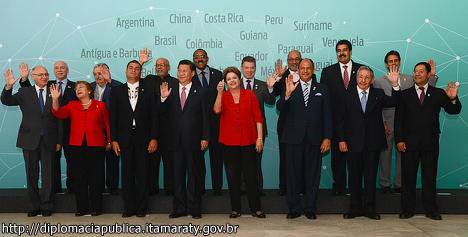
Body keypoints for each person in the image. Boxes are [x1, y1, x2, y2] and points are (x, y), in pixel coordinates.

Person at [395, 62, 461, 220]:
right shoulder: (404, 94)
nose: (416, 74)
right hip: (409, 143)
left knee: (429, 178)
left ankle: (431, 210)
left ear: (429, 74)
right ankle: (407, 210)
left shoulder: (438, 93)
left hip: (430, 143)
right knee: (408, 178)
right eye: (415, 71)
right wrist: (399, 140)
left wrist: (453, 99)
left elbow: (454, 110)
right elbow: (399, 120)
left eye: (421, 71)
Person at [337, 66, 400, 220]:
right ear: (356, 79)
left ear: (372, 80)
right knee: (354, 177)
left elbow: (394, 101)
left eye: (367, 77)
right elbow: (340, 120)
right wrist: (341, 140)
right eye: (360, 77)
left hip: (372, 143)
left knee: (371, 178)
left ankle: (370, 209)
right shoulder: (347, 94)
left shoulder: (378, 93)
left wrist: (395, 85)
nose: (363, 80)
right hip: (353, 143)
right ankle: (355, 209)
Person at [374, 51, 438, 194]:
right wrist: (381, 122)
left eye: (396, 60)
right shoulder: (378, 82)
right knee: (385, 155)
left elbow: (426, 89)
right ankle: (385, 183)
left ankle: (399, 183)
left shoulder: (410, 79)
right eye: (390, 61)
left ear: (400, 62)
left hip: (407, 125)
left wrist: (431, 76)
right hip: (387, 124)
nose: (393, 63)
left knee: (403, 154)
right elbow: (375, 105)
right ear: (386, 64)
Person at [1, 66, 62, 217]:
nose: (44, 77)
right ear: (33, 76)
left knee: (48, 175)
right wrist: (8, 86)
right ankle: (33, 206)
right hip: (29, 139)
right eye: (40, 75)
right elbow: (7, 101)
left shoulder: (54, 91)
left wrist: (59, 140)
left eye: (46, 74)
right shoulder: (24, 92)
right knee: (31, 174)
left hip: (49, 139)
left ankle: (47, 206)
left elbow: (59, 117)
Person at [276, 58, 332, 219]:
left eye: (308, 68)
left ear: (314, 70)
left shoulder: (323, 88)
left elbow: (328, 115)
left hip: (315, 139)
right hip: (293, 138)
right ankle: (293, 208)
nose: (305, 71)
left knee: (312, 175)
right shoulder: (290, 85)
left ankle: (310, 209)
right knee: (292, 175)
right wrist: (287, 94)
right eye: (302, 68)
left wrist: (327, 137)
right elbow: (280, 107)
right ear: (298, 71)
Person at [51, 81, 111, 216]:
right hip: (76, 146)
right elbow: (58, 113)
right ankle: (81, 208)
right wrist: (55, 99)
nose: (78, 89)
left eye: (81, 87)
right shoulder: (72, 105)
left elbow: (108, 124)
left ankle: (96, 208)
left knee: (96, 177)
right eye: (76, 88)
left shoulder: (100, 105)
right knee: (79, 178)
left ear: (89, 91)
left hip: (96, 145)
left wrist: (109, 141)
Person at [160, 60, 210, 219]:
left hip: (194, 140)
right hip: (175, 141)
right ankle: (179, 208)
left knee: (194, 176)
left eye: (185, 70)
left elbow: (205, 117)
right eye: (179, 70)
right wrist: (163, 99)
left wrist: (205, 137)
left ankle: (195, 209)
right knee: (177, 177)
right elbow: (160, 113)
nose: (181, 73)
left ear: (192, 73)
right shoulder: (171, 90)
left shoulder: (200, 92)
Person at [214, 66, 266, 219]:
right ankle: (235, 209)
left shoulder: (249, 94)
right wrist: (219, 92)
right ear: (226, 82)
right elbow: (217, 110)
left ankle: (256, 209)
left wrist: (259, 138)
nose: (232, 81)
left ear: (239, 78)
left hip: (249, 142)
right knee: (233, 177)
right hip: (229, 143)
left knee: (251, 177)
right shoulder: (223, 96)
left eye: (234, 78)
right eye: (229, 79)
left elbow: (258, 118)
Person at [109, 60, 159, 218]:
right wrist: (114, 139)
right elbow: (113, 118)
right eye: (131, 68)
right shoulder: (116, 91)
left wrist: (153, 138)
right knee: (127, 173)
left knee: (143, 174)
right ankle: (129, 208)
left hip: (144, 137)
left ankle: (141, 208)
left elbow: (154, 117)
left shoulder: (149, 90)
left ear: (140, 72)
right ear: (126, 71)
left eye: (137, 68)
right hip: (124, 138)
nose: (134, 70)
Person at [19, 61, 77, 194]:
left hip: (70, 130)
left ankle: (72, 190)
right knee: (52, 165)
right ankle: (55, 190)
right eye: (56, 68)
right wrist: (24, 79)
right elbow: (31, 93)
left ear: (68, 70)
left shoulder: (75, 86)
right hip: (49, 131)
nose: (59, 70)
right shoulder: (47, 84)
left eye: (62, 68)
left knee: (72, 161)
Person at [320, 40, 364, 196]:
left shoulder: (361, 70)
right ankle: (338, 186)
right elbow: (323, 99)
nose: (342, 53)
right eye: (339, 50)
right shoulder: (327, 72)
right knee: (337, 157)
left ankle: (355, 187)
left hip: (357, 122)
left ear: (351, 52)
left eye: (345, 50)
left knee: (355, 157)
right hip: (335, 121)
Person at [274, 50, 316, 196]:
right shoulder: (282, 75)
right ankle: (285, 186)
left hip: (306, 127)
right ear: (288, 60)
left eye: (297, 59)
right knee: (286, 158)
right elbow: (275, 97)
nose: (294, 61)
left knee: (304, 159)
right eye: (291, 59)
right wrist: (279, 77)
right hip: (287, 125)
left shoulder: (311, 76)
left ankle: (303, 188)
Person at [139, 48, 178, 196]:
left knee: (170, 162)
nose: (159, 67)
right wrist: (141, 63)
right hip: (151, 129)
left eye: (163, 65)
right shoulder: (148, 80)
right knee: (151, 162)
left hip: (170, 129)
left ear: (169, 67)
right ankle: (152, 189)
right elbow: (134, 79)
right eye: (157, 65)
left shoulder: (175, 82)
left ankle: (170, 189)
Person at [239, 56, 276, 195]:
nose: (249, 70)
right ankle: (243, 188)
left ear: (255, 68)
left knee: (256, 160)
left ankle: (257, 188)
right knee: (241, 161)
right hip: (240, 129)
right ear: (242, 68)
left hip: (258, 130)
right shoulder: (235, 84)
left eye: (252, 68)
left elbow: (271, 102)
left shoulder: (262, 85)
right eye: (246, 67)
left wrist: (271, 88)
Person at [191, 49, 224, 195]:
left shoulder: (217, 74)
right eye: (197, 57)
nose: (200, 59)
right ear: (193, 60)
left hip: (217, 124)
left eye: (202, 57)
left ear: (207, 58)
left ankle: (217, 190)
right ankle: (200, 189)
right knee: (198, 160)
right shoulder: (190, 76)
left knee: (217, 159)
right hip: (197, 126)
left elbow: (223, 97)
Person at [91, 63, 122, 195]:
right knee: (95, 162)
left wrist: (110, 80)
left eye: (100, 73)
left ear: (107, 72)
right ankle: (97, 188)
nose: (98, 76)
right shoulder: (89, 87)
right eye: (95, 74)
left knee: (112, 161)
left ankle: (112, 188)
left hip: (112, 129)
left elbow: (122, 96)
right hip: (94, 131)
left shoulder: (116, 86)